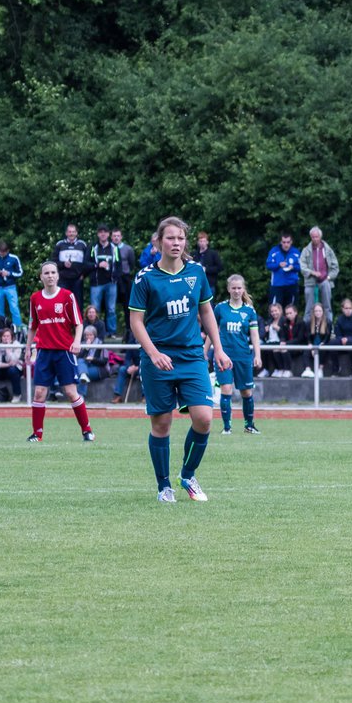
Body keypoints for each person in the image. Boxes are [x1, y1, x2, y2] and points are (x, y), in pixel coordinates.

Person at [128, 215, 232, 504]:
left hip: (191, 357)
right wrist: (153, 353)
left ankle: (187, 474)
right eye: (170, 237)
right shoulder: (145, 277)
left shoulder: (197, 272)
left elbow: (207, 312)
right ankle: (164, 486)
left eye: (181, 238)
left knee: (204, 419)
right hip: (158, 358)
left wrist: (218, 349)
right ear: (159, 241)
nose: (176, 242)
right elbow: (136, 321)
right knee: (161, 425)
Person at [26, 260, 94, 442]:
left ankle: (87, 430)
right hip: (43, 352)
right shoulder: (35, 299)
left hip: (64, 351)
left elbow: (79, 323)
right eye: (46, 273)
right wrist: (27, 348)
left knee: (71, 392)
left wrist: (77, 342)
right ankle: (37, 434)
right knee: (39, 393)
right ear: (41, 277)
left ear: (58, 275)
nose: (50, 276)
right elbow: (33, 327)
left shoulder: (67, 296)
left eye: (52, 273)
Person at [211, 274, 262, 434]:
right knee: (226, 389)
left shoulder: (249, 311)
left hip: (243, 356)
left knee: (246, 392)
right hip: (224, 356)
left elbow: (254, 335)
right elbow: (212, 331)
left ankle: (249, 425)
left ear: (243, 289)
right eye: (233, 288)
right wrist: (205, 352)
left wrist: (257, 355)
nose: (236, 291)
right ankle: (227, 428)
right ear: (228, 289)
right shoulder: (220, 308)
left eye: (239, 288)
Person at [87, 225, 120, 338]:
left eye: (105, 232)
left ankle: (112, 332)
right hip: (96, 284)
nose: (103, 234)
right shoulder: (93, 247)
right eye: (100, 232)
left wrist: (115, 278)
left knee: (111, 309)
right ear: (98, 234)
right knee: (94, 309)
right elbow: (86, 264)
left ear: (108, 234)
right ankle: (94, 332)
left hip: (111, 284)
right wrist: (97, 265)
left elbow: (119, 265)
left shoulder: (114, 248)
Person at [300, 227, 338, 324]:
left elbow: (335, 267)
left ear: (320, 237)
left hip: (325, 280)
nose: (315, 239)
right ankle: (306, 329)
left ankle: (329, 327)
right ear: (310, 237)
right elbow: (302, 266)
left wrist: (328, 277)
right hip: (310, 281)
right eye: (313, 237)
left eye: (316, 237)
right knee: (309, 307)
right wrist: (312, 272)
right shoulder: (306, 250)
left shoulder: (328, 249)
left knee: (327, 306)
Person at [0, 240, 25, 329]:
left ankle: (18, 328)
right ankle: (2, 329)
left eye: (3, 252)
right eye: (0, 252)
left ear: (7, 251)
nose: (1, 254)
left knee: (14, 308)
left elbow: (20, 273)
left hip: (10, 287)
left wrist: (9, 274)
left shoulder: (14, 258)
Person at [54, 223, 91, 307]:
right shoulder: (59, 244)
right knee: (62, 302)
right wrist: (63, 264)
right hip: (63, 279)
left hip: (77, 279)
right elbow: (54, 262)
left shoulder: (82, 244)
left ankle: (78, 320)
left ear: (76, 233)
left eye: (73, 232)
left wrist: (83, 275)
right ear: (66, 233)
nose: (71, 234)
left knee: (77, 303)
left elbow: (87, 263)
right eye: (69, 232)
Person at [327, 298, 352, 377]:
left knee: (351, 343)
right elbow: (337, 333)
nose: (348, 310)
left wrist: (349, 339)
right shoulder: (339, 319)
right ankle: (336, 368)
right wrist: (341, 339)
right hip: (342, 341)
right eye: (346, 308)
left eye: (350, 308)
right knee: (332, 343)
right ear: (342, 309)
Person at [75, 326, 113, 398]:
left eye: (90, 335)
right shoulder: (83, 344)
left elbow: (104, 361)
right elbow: (79, 358)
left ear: (94, 335)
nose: (88, 337)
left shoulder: (101, 344)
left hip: (100, 369)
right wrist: (86, 348)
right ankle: (81, 394)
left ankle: (80, 395)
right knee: (81, 364)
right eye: (87, 335)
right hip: (87, 367)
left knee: (81, 373)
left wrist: (93, 359)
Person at [265, 232, 301, 311]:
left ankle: (290, 323)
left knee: (291, 309)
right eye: (284, 242)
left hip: (292, 284)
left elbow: (301, 267)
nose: (286, 244)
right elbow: (268, 265)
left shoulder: (296, 252)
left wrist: (293, 267)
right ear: (281, 242)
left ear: (291, 242)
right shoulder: (274, 251)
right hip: (277, 284)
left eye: (288, 242)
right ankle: (273, 323)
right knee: (274, 309)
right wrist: (278, 265)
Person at [111, 330, 141, 404]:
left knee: (145, 371)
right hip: (133, 367)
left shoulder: (147, 342)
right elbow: (127, 358)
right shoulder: (131, 342)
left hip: (143, 366)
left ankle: (145, 397)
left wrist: (138, 367)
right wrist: (129, 367)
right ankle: (118, 395)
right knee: (122, 369)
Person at [259, 303, 288, 377]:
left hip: (280, 341)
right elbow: (265, 336)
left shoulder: (284, 320)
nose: (274, 313)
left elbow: (286, 333)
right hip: (270, 341)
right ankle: (265, 369)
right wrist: (266, 331)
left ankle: (279, 369)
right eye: (272, 311)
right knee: (262, 348)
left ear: (280, 310)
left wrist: (279, 329)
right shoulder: (269, 321)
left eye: (276, 311)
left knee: (275, 348)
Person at [280, 304, 309, 376]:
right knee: (278, 349)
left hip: (300, 346)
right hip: (289, 345)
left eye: (290, 313)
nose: (288, 315)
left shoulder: (301, 322)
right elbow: (282, 335)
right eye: (287, 313)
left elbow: (300, 338)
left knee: (284, 348)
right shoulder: (284, 323)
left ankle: (288, 370)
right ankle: (281, 369)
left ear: (296, 313)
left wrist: (286, 343)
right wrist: (283, 341)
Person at [303, 302, 329, 377]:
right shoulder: (309, 323)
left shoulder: (328, 322)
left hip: (322, 343)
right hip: (312, 343)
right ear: (313, 312)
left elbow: (327, 336)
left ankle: (320, 369)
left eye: (319, 311)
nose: (318, 313)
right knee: (306, 350)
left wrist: (322, 343)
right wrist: (310, 345)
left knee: (323, 349)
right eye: (316, 311)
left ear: (323, 312)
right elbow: (307, 336)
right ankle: (307, 369)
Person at [112, 228, 136, 307]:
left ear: (121, 237)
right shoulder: (108, 248)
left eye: (118, 236)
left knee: (127, 303)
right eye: (114, 236)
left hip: (124, 278)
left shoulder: (128, 249)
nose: (116, 238)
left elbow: (132, 263)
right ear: (111, 237)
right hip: (112, 278)